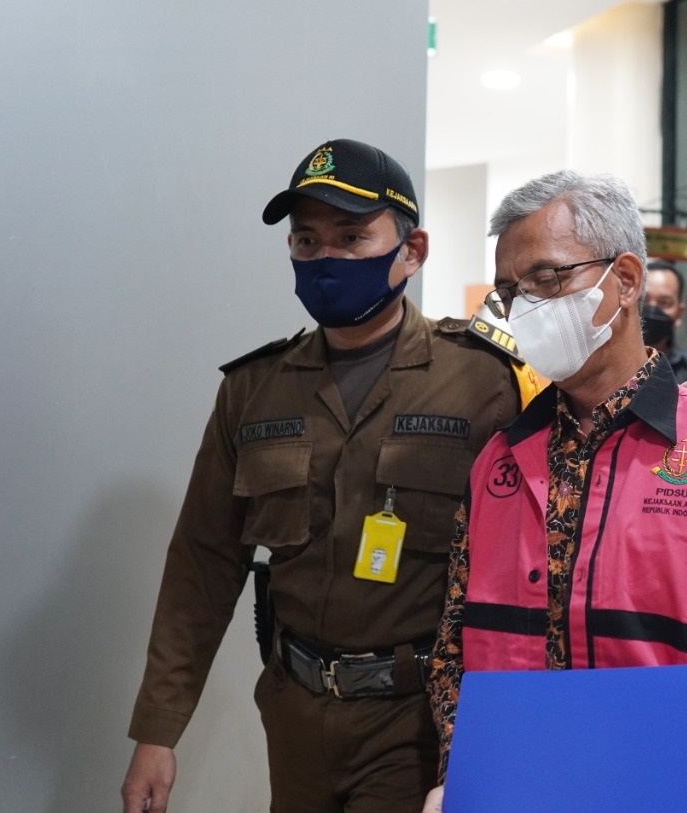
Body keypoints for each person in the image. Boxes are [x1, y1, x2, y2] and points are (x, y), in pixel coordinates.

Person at [120, 138, 536, 813]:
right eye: (307, 240)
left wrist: (505, 731)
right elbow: (203, 563)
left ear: (413, 250)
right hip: (295, 714)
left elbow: (526, 570)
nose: (326, 258)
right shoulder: (254, 390)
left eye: (351, 236)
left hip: (416, 719)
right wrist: (158, 730)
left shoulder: (484, 381)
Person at [421, 171, 687, 812]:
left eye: (546, 279)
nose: (524, 308)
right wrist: (466, 774)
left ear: (626, 280)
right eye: (509, 292)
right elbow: (453, 652)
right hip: (516, 791)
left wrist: (635, 789)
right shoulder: (499, 462)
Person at [643, 258, 687, 392]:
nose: (652, 308)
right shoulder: (607, 365)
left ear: (679, 313)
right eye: (643, 300)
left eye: (664, 303)